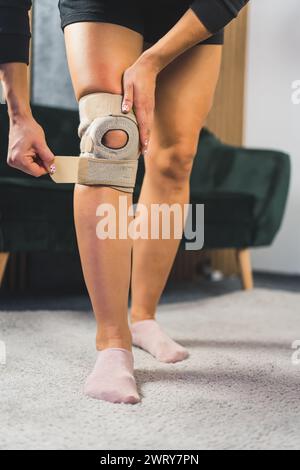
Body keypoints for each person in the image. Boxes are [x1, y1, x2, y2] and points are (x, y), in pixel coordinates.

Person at [0, 0, 249, 404]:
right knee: (109, 140)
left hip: (188, 9)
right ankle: (113, 343)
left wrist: (152, 61)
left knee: (175, 158)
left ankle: (144, 319)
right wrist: (18, 113)